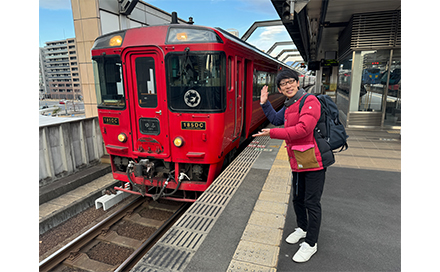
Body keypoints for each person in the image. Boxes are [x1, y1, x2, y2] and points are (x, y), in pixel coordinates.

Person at [253, 69, 334, 263]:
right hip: (297, 159)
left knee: (311, 202)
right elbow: (276, 120)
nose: (288, 86)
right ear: (280, 90)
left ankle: (311, 243)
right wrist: (264, 103)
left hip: (313, 160)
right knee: (297, 199)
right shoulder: (290, 104)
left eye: (290, 82)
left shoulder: (310, 101)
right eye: (283, 84)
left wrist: (271, 134)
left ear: (298, 83)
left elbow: (303, 130)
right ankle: (303, 228)